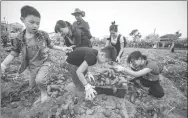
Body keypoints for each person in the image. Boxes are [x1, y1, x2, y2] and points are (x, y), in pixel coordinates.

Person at [1, 5, 72, 105]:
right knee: (32, 85)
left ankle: (44, 94)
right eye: (32, 22)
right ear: (23, 20)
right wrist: (3, 65)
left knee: (39, 80)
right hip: (32, 66)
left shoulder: (43, 35)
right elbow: (13, 53)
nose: (35, 25)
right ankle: (43, 90)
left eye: (38, 23)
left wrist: (63, 48)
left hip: (44, 62)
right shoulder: (19, 38)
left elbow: (51, 45)